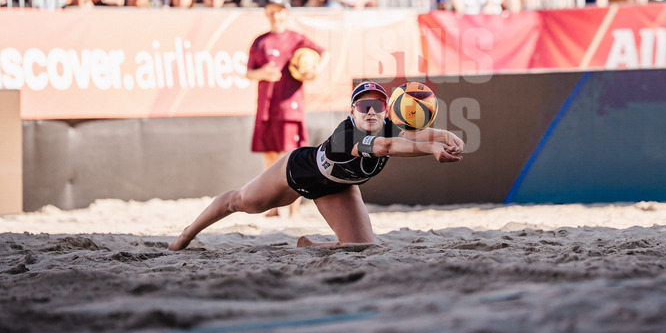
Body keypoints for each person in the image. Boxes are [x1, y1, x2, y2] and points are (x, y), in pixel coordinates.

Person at [169, 81, 464, 251]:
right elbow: (389, 147)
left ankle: (309, 247)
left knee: (361, 247)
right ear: (352, 111)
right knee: (242, 201)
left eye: (377, 105)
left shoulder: (387, 127)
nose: (370, 111)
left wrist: (444, 136)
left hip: (337, 188)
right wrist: (431, 149)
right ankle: (188, 232)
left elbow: (409, 136)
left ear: (387, 112)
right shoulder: (345, 134)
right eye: (363, 106)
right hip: (299, 171)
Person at [247, 0, 326, 217]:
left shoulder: (296, 39)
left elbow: (323, 53)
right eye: (271, 12)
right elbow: (248, 73)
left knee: (292, 158)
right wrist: (261, 73)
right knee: (270, 158)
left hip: (290, 107)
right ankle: (273, 207)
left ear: (286, 13)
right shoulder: (260, 41)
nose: (275, 16)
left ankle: (294, 209)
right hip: (266, 107)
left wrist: (315, 71)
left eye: (279, 11)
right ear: (266, 13)